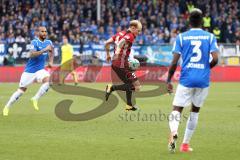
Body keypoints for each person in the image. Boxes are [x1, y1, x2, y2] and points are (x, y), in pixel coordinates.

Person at [166, 8, 219, 153]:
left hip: (186, 79)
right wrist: (206, 68)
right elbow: (215, 58)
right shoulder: (209, 37)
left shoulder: (182, 37)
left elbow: (174, 62)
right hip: (203, 80)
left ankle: (174, 132)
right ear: (202, 21)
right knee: (194, 112)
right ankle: (185, 144)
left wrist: (168, 80)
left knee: (177, 108)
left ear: (189, 21)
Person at [3, 26, 54, 116]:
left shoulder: (49, 42)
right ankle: (7, 106)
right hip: (29, 71)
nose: (44, 33)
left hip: (40, 70)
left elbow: (51, 51)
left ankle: (35, 98)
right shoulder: (34, 42)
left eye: (45, 31)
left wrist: (50, 61)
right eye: (42, 31)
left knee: (49, 81)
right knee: (21, 91)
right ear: (38, 33)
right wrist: (44, 50)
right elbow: (32, 54)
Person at [104, 20, 142, 111]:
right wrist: (117, 51)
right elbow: (121, 42)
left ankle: (129, 105)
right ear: (133, 28)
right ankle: (112, 88)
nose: (139, 33)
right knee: (137, 86)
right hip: (121, 63)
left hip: (116, 63)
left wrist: (108, 54)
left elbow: (106, 43)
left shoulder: (120, 33)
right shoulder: (131, 35)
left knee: (129, 84)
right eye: (138, 30)